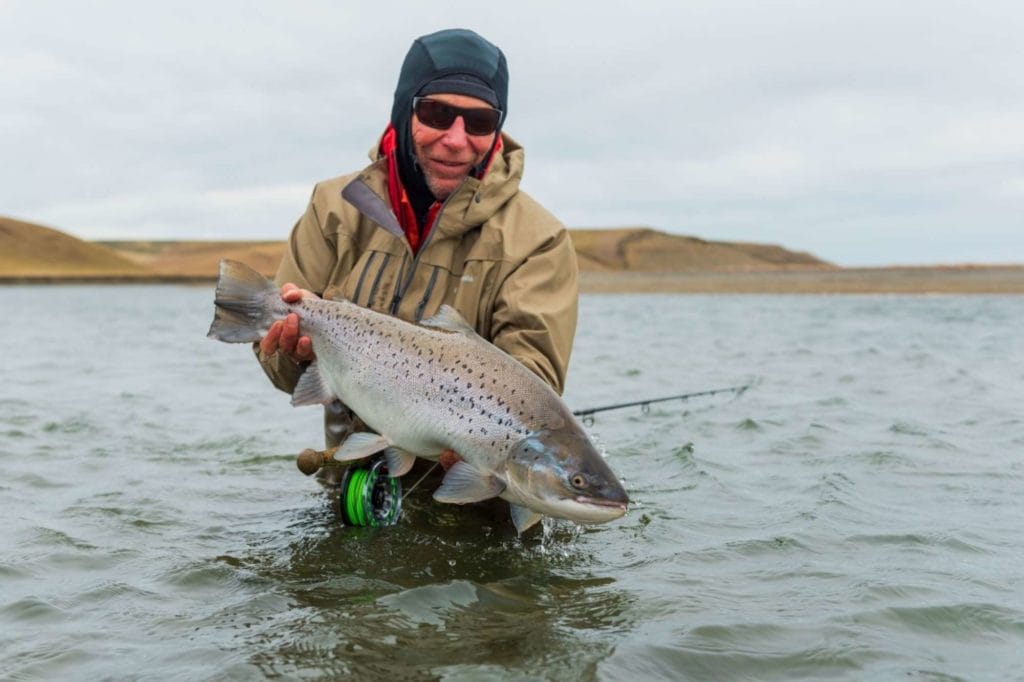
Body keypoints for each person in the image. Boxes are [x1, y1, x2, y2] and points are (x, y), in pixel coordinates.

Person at [254, 28, 579, 486]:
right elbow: (281, 371)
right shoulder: (334, 206)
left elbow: (533, 384)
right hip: (353, 490)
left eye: (480, 121)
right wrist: (290, 353)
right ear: (404, 111)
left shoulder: (539, 239)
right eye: (437, 113)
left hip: (482, 501)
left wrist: (477, 443)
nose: (456, 138)